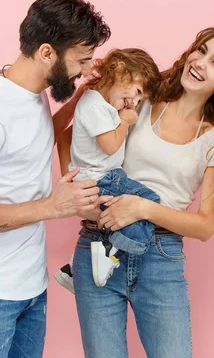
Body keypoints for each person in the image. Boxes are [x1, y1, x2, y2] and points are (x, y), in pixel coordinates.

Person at [57, 27, 214, 358]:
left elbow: (205, 225)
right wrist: (80, 188)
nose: (200, 62)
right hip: (98, 244)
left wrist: (142, 209)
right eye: (201, 50)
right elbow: (70, 138)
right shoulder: (141, 101)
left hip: (159, 259)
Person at [0, 0, 111, 358]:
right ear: (47, 53)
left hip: (30, 289)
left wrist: (82, 96)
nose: (85, 68)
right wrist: (52, 206)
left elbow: (30, 140)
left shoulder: (31, 94)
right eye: (81, 60)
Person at [53, 48, 162, 292]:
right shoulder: (95, 107)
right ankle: (110, 251)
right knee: (149, 202)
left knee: (128, 212)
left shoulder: (100, 103)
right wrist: (125, 121)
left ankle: (75, 269)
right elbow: (111, 146)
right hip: (103, 179)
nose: (134, 102)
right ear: (120, 70)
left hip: (104, 176)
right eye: (136, 92)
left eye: (140, 100)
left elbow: (68, 137)